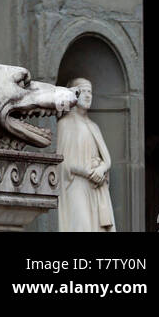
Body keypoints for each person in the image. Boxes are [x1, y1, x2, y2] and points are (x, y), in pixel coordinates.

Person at [57, 78, 116, 232]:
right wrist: (88, 172)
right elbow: (62, 163)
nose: (88, 95)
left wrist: (101, 169)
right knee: (80, 226)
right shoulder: (65, 124)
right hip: (76, 185)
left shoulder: (93, 126)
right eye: (84, 91)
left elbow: (107, 159)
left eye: (90, 92)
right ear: (74, 94)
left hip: (95, 186)